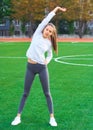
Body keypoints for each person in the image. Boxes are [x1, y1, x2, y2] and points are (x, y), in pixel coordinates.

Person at [11, 6, 66, 127]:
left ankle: (52, 117)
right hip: (30, 67)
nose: (48, 32)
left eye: (50, 32)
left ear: (52, 34)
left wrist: (46, 61)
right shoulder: (37, 34)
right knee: (25, 93)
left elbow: (50, 55)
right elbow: (45, 20)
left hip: (41, 68)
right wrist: (56, 9)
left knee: (47, 93)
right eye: (47, 30)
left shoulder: (49, 43)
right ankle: (18, 116)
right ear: (44, 29)